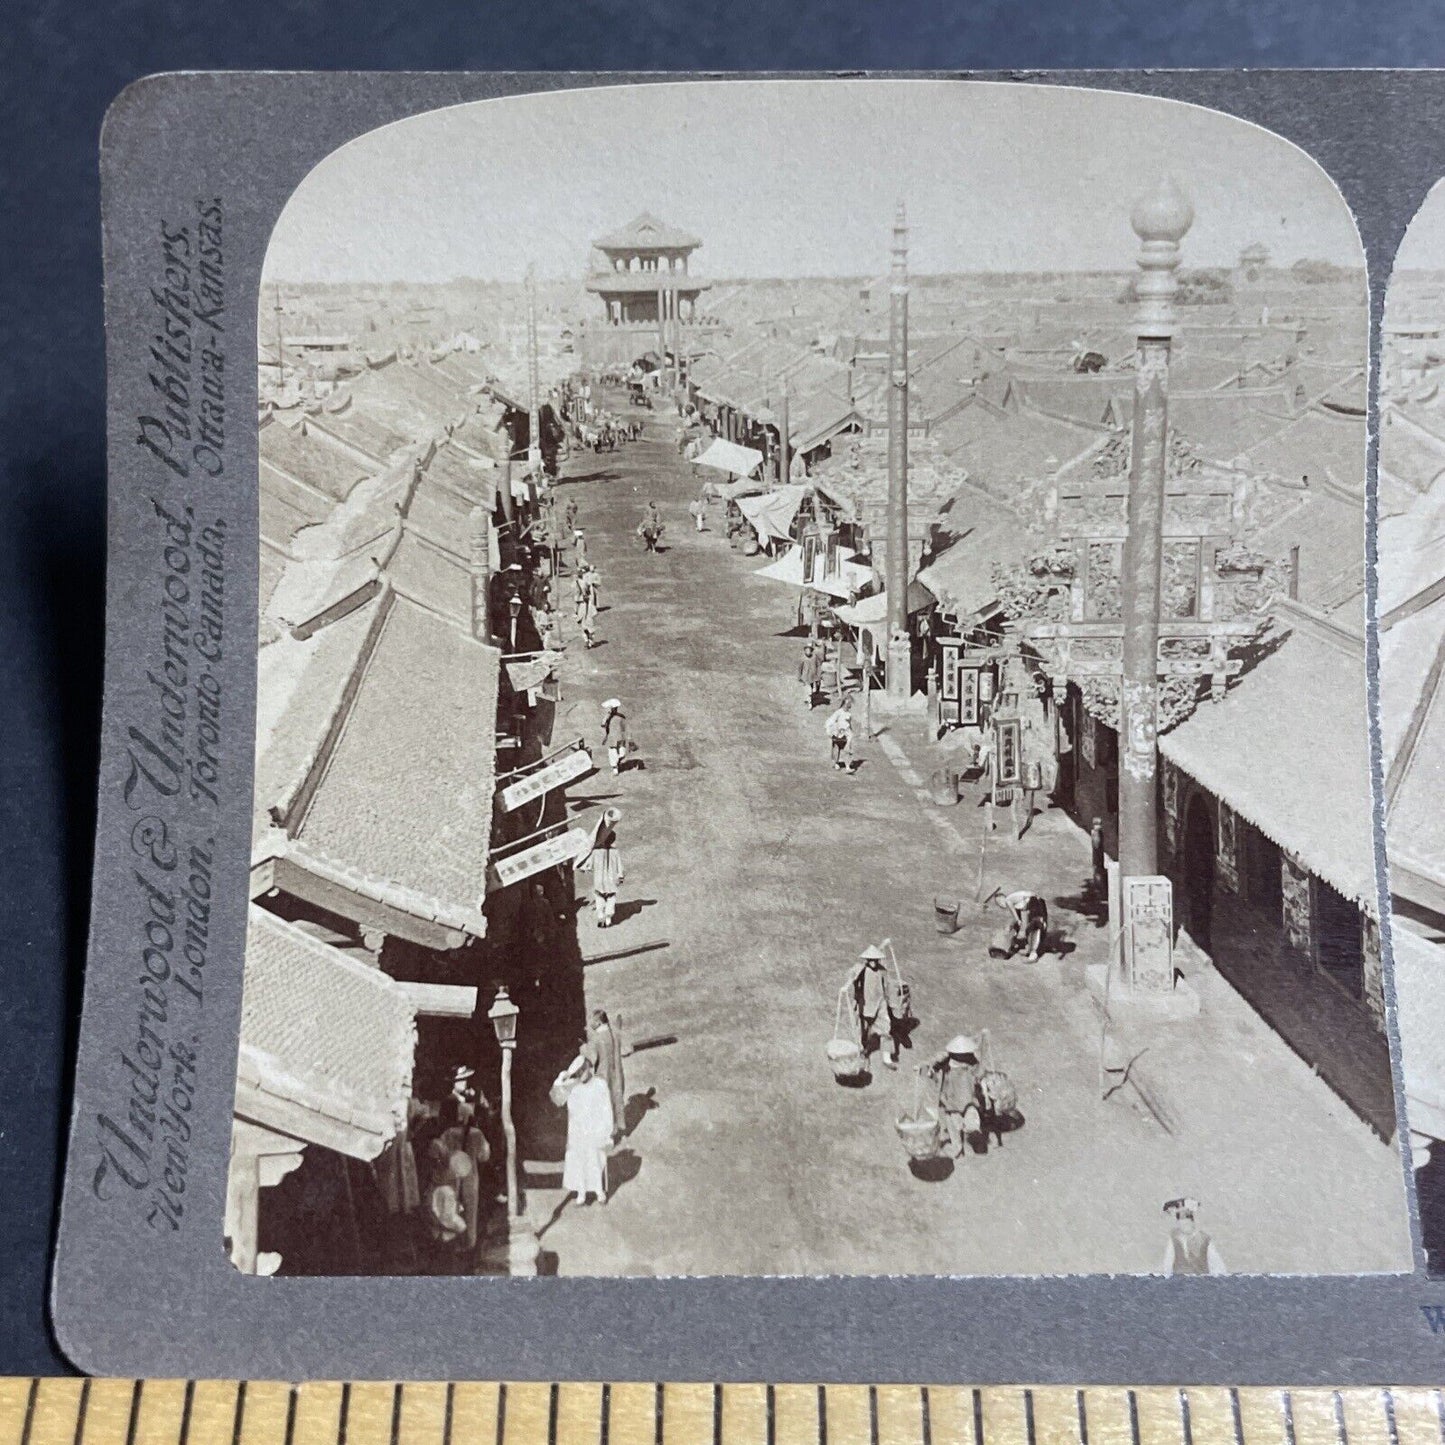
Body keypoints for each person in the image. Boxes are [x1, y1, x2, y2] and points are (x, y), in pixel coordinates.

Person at [554, 1055, 614, 1206]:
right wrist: (561, 1080)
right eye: (578, 1073)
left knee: (596, 1159)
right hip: (577, 1132)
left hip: (595, 1129)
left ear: (589, 1068)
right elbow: (556, 1099)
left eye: (583, 1071)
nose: (581, 1075)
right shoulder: (572, 1086)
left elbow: (607, 1109)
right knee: (579, 1161)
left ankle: (599, 1191)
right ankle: (581, 1192)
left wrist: (607, 1131)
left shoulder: (600, 1084)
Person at [840, 944, 904, 1070]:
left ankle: (887, 1059)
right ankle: (863, 1055)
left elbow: (887, 987)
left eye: (875, 960)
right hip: (865, 1005)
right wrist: (846, 986)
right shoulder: (860, 970)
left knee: (886, 1029)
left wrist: (892, 1004)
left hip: (880, 1004)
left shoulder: (882, 970)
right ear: (866, 960)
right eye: (870, 960)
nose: (873, 963)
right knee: (863, 1033)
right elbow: (850, 978)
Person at [924, 1035, 983, 1159]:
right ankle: (969, 1129)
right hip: (966, 1098)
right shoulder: (972, 1061)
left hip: (952, 1098)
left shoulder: (949, 1062)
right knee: (967, 1114)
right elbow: (980, 1074)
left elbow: (934, 1067)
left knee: (952, 1122)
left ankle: (958, 1146)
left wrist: (931, 1070)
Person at [576, 807, 625, 928]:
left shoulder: (596, 853)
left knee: (599, 899)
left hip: (599, 880)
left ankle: (601, 918)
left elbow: (588, 864)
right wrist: (620, 876)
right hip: (611, 881)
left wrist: (583, 867)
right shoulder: (615, 852)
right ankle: (608, 919)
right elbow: (619, 866)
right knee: (611, 899)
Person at [584, 1008, 627, 1144]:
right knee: (616, 1099)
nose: (590, 1023)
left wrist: (582, 1048)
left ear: (597, 1022)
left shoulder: (597, 1039)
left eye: (592, 1020)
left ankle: (608, 1135)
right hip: (615, 1073)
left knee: (603, 1105)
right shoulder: (613, 1033)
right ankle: (620, 1128)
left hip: (602, 1076)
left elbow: (591, 1058)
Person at [1159, 1197, 1227, 1275]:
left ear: (1192, 1222)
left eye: (1187, 1223)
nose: (1184, 1226)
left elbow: (1217, 1265)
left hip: (1201, 1280)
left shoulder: (1204, 1239)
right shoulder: (1174, 1238)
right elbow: (1168, 1263)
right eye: (1181, 1223)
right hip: (1179, 1281)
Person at [995, 889, 1049, 961]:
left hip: (1032, 902)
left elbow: (1015, 914)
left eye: (999, 901)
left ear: (1003, 898)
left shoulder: (1008, 900)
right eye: (998, 903)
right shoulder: (1017, 902)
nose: (1000, 904)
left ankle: (1030, 951)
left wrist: (1018, 921)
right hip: (1037, 902)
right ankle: (1029, 950)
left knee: (1032, 927)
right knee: (1034, 926)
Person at [825, 696, 855, 772]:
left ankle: (848, 767)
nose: (850, 705)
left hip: (846, 734)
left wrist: (851, 732)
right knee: (836, 749)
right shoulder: (838, 712)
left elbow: (849, 724)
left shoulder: (849, 714)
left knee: (847, 750)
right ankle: (836, 763)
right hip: (837, 734)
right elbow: (830, 721)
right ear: (845, 703)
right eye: (849, 703)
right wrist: (831, 731)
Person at [601, 699, 630, 775]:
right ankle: (615, 768)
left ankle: (617, 762)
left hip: (620, 737)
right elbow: (603, 725)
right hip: (611, 737)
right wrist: (605, 737)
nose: (614, 710)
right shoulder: (607, 718)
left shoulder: (621, 716)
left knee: (622, 754)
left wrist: (627, 736)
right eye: (613, 708)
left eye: (615, 708)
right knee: (612, 753)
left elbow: (625, 727)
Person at [798, 642, 824, 710]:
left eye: (809, 650)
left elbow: (818, 665)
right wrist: (799, 676)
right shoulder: (803, 658)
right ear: (805, 651)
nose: (808, 652)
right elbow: (800, 668)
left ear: (811, 651)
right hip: (805, 676)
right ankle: (810, 703)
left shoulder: (814, 657)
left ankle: (808, 698)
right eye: (806, 650)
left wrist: (818, 674)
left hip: (812, 676)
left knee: (811, 688)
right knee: (808, 689)